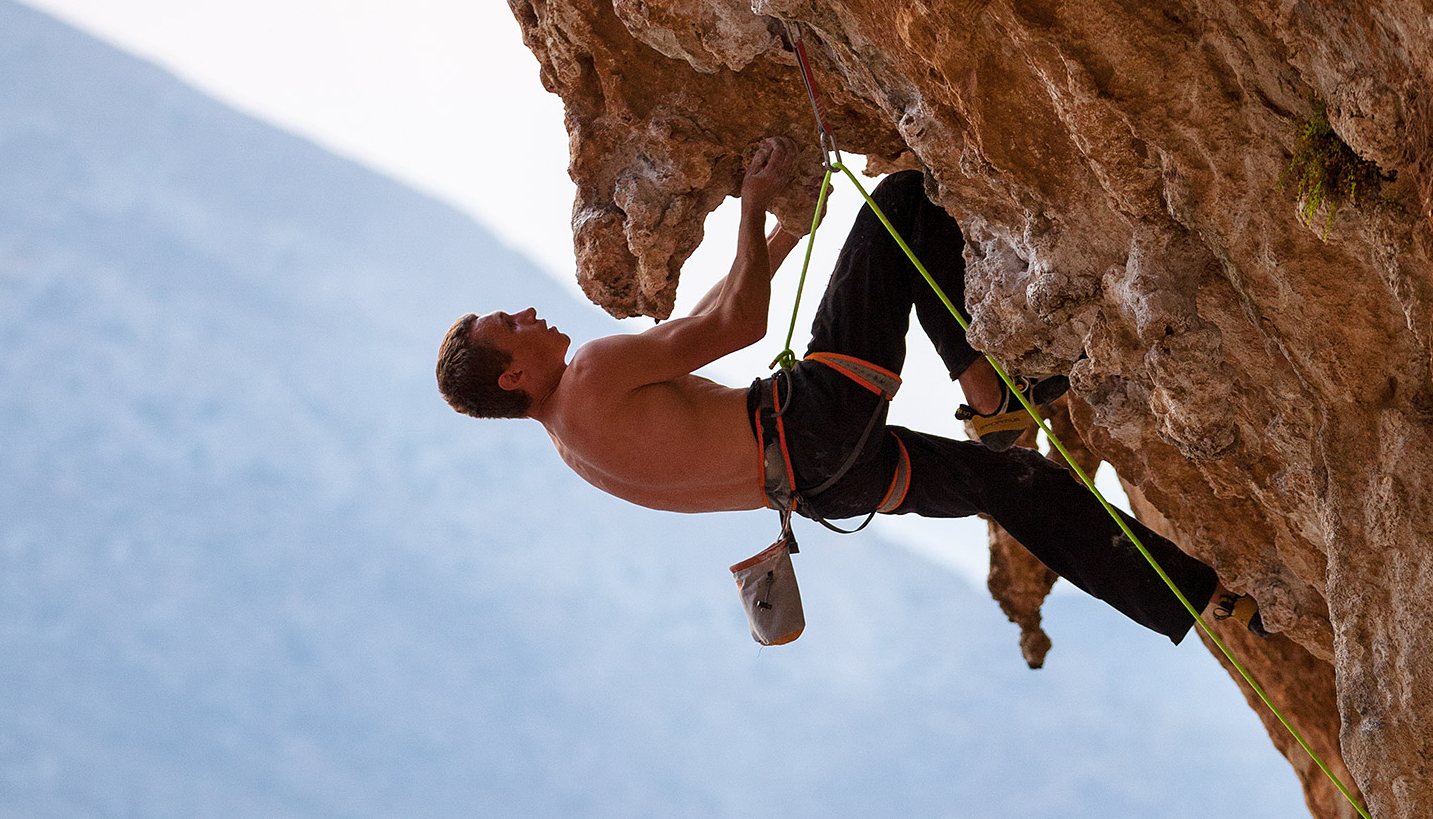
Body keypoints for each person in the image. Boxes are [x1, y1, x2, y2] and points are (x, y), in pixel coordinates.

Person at [434, 138, 1219, 644]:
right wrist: (749, 205)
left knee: (1015, 486)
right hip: (811, 419)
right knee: (904, 202)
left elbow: (702, 325)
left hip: (822, 488)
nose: (529, 313)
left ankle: (1190, 597)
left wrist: (781, 238)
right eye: (512, 322)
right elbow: (740, 326)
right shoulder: (593, 371)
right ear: (512, 373)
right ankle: (987, 391)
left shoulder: (578, 444)